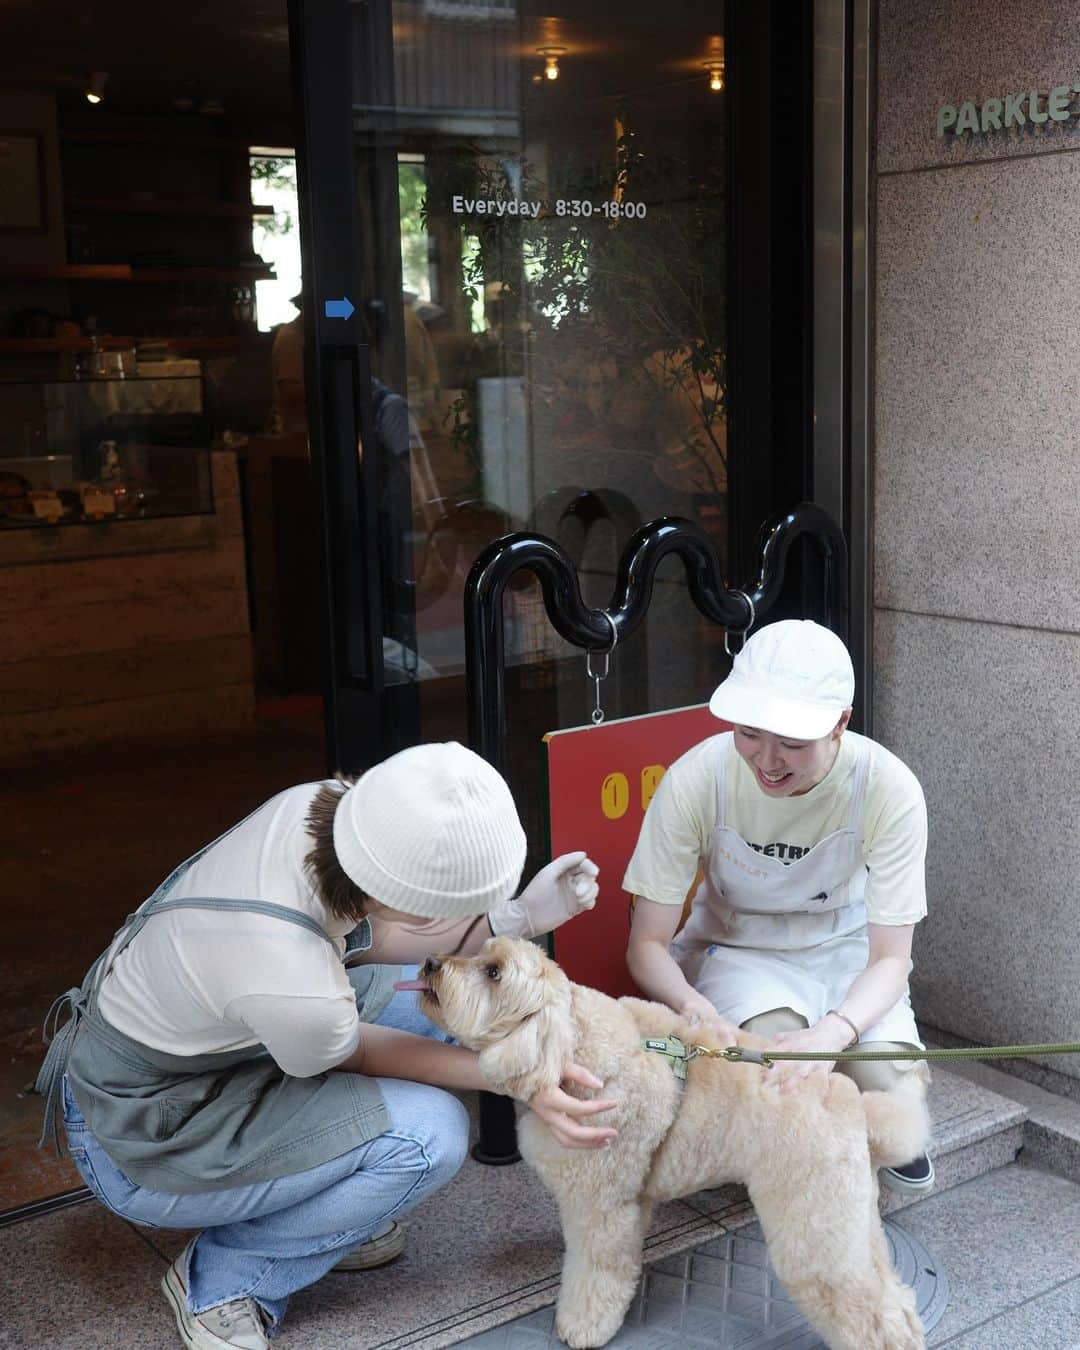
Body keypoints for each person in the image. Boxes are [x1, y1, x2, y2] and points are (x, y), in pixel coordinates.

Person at [36, 742, 615, 1350]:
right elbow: (356, 1046)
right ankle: (225, 1282)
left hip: (222, 1045)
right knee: (427, 1136)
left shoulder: (320, 809)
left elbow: (372, 934)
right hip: (143, 1131)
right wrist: (516, 1077)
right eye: (458, 908)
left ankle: (327, 1209)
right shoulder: (293, 976)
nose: (466, 921)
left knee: (433, 997)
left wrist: (517, 917)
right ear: (414, 907)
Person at [623, 619, 933, 1196]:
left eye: (791, 742)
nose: (766, 760)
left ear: (841, 722)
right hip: (739, 951)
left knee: (893, 1110)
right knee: (776, 1054)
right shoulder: (699, 777)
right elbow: (646, 946)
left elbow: (892, 957)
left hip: (849, 954)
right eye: (749, 733)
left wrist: (839, 1029)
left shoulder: (888, 788)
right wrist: (696, 1013)